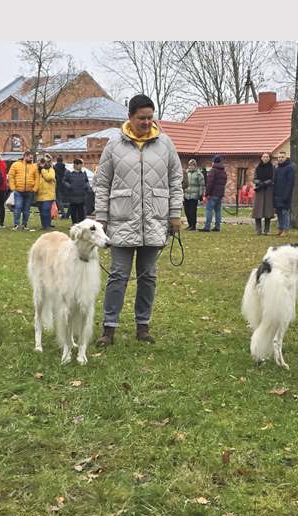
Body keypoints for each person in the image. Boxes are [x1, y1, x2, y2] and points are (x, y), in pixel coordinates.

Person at [94, 93, 183, 347]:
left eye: (150, 117)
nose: (146, 122)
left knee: (148, 277)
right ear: (130, 117)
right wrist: (102, 218)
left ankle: (143, 326)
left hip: (155, 219)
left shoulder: (166, 144)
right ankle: (108, 328)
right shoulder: (114, 145)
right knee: (118, 275)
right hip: (121, 220)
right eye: (141, 118)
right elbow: (102, 184)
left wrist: (175, 214)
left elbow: (176, 182)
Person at [8, 150, 38, 230]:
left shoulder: (34, 166)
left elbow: (37, 178)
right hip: (18, 190)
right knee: (18, 207)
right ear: (25, 156)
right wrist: (13, 187)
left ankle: (24, 224)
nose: (31, 159)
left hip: (29, 191)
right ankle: (16, 224)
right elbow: (11, 176)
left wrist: (34, 189)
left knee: (27, 209)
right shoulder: (16, 165)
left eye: (32, 158)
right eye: (30, 157)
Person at [200, 155, 226, 232]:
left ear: (214, 162)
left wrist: (206, 194)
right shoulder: (223, 171)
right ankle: (217, 226)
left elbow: (209, 183)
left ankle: (207, 227)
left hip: (213, 194)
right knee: (218, 211)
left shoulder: (213, 171)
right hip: (220, 194)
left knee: (209, 210)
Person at [252, 153, 276, 235]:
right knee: (258, 211)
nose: (265, 158)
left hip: (268, 190)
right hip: (259, 191)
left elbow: (273, 178)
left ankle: (267, 230)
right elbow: (254, 178)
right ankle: (258, 230)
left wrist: (266, 183)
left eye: (267, 157)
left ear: (269, 158)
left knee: (267, 211)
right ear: (261, 158)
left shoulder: (272, 168)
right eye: (264, 157)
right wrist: (259, 182)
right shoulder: (258, 167)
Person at [62, 158, 91, 224]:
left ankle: (81, 223)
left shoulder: (83, 172)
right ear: (75, 165)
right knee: (73, 211)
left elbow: (86, 181)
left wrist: (87, 187)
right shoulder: (69, 172)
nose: (81, 166)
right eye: (80, 165)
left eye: (81, 165)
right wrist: (69, 186)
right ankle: (74, 223)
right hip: (73, 195)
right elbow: (64, 181)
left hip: (82, 194)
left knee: (81, 211)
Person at [273, 150, 295, 237]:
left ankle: (286, 229)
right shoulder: (277, 168)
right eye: (279, 157)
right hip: (277, 194)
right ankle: (280, 228)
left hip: (285, 194)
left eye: (282, 157)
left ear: (285, 158)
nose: (280, 159)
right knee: (278, 213)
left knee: (285, 212)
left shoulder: (290, 168)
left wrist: (287, 195)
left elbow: (290, 183)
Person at [35, 155, 57, 230]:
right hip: (39, 195)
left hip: (48, 195)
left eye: (44, 162)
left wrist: (42, 170)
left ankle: (47, 225)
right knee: (42, 212)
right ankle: (44, 226)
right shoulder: (37, 171)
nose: (42, 164)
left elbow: (49, 178)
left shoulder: (50, 170)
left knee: (46, 210)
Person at [182, 158, 204, 230]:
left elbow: (201, 185)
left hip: (194, 195)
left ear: (195, 166)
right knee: (186, 211)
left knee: (192, 211)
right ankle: (189, 224)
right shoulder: (186, 173)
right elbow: (183, 183)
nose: (190, 166)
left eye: (192, 165)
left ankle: (193, 226)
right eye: (190, 165)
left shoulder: (199, 174)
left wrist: (201, 194)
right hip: (186, 195)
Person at [54, 155, 68, 220]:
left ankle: (63, 213)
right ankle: (61, 212)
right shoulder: (64, 168)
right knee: (59, 199)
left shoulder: (55, 167)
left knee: (58, 200)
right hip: (62, 185)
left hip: (56, 185)